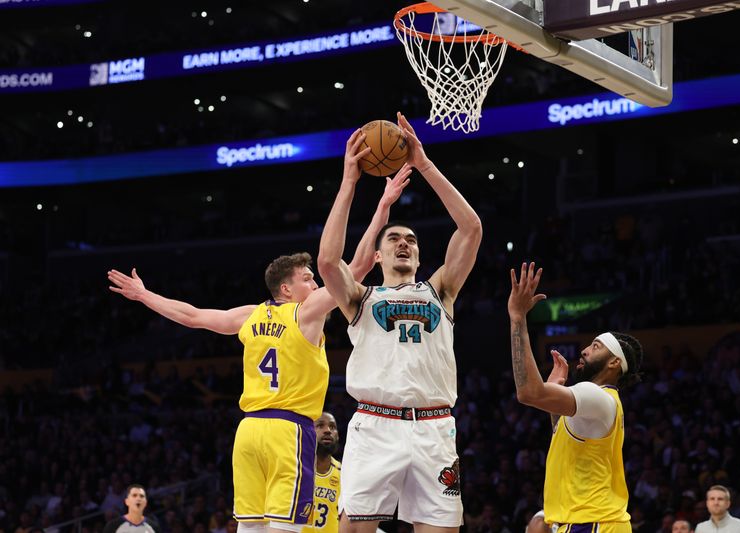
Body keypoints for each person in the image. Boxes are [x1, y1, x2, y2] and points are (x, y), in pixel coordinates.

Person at [108, 173, 409, 533]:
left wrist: (144, 295)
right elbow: (356, 268)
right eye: (308, 278)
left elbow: (190, 315)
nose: (315, 283)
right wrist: (384, 205)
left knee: (250, 529)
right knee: (286, 529)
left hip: (248, 432)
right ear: (287, 287)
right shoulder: (307, 312)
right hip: (289, 430)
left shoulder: (248, 315)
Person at [317, 112, 482, 533]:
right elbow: (327, 262)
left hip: (434, 428)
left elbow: (471, 227)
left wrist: (424, 164)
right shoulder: (360, 298)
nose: (403, 243)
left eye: (411, 240)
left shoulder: (440, 290)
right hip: (376, 425)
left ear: (420, 257)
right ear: (379, 256)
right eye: (394, 239)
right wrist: (349, 182)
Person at [506, 262, 644, 533]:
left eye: (595, 346)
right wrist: (553, 395)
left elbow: (527, 392)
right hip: (588, 521)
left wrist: (518, 318)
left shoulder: (597, 396)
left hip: (593, 522)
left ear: (614, 362)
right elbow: (563, 433)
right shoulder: (599, 402)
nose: (584, 350)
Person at [302, 412, 341, 533]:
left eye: (332, 427)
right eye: (320, 426)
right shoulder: (293, 468)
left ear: (338, 436)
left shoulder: (344, 474)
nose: (328, 430)